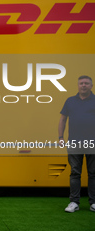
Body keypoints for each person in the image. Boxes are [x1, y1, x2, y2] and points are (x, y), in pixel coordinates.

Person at [58, 75, 95, 213]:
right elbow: (62, 119)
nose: (84, 85)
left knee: (93, 173)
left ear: (91, 85)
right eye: (81, 83)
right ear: (78, 85)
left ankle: (94, 203)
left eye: (86, 83)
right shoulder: (70, 101)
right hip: (74, 142)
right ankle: (74, 202)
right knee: (75, 173)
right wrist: (61, 137)